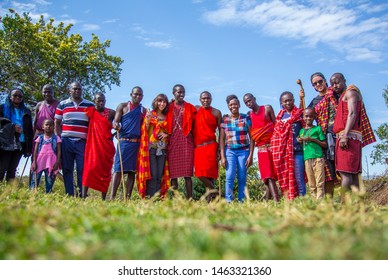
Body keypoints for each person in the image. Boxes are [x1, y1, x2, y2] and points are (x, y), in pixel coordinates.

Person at [331, 73, 376, 192]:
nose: (335, 85)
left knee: (345, 172)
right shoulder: (344, 96)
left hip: (348, 136)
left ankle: (345, 205)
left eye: (337, 82)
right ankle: (356, 206)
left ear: (344, 80)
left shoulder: (350, 93)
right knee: (353, 173)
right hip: (349, 136)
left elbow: (352, 114)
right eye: (332, 84)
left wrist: (345, 136)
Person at [54, 81, 94, 196]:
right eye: (75, 89)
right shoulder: (62, 104)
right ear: (70, 90)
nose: (77, 91)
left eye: (79, 89)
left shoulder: (89, 105)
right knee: (67, 169)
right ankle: (70, 194)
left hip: (82, 142)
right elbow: (57, 122)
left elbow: (93, 123)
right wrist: (58, 138)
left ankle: (82, 195)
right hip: (66, 141)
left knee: (82, 169)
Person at [307, 72, 340, 197]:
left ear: (325, 81)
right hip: (325, 138)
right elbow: (305, 115)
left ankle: (349, 201)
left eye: (320, 81)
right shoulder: (315, 102)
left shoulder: (335, 94)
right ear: (313, 87)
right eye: (315, 84)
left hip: (340, 134)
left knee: (343, 169)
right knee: (329, 172)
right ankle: (329, 202)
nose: (318, 84)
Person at [110, 86, 145, 200]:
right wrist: (116, 125)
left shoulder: (142, 110)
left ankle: (127, 198)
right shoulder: (123, 106)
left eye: (140, 95)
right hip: (124, 142)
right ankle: (112, 197)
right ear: (131, 94)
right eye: (135, 94)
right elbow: (115, 121)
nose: (137, 96)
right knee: (118, 169)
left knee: (132, 172)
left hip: (136, 143)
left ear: (142, 97)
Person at [243, 93, 279, 202]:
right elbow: (253, 136)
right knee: (267, 176)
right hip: (261, 149)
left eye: (250, 100)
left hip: (273, 146)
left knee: (272, 175)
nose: (249, 103)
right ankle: (275, 201)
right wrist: (250, 155)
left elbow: (277, 127)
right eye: (246, 102)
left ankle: (270, 201)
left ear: (254, 99)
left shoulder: (267, 108)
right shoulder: (249, 115)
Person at [271, 91, 305, 200]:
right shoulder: (280, 117)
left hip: (297, 151)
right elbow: (277, 135)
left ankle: (303, 202)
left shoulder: (299, 113)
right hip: (283, 153)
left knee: (299, 179)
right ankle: (291, 202)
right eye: (285, 101)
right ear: (282, 103)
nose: (288, 102)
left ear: (293, 100)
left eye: (290, 100)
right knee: (285, 178)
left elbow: (305, 128)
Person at [219, 95, 254, 203]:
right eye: (230, 105)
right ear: (228, 106)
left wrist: (251, 155)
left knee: (242, 177)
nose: (233, 106)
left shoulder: (246, 118)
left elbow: (252, 137)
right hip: (230, 151)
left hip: (244, 151)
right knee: (229, 176)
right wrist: (223, 156)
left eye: (235, 104)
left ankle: (241, 200)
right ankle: (228, 201)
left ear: (239, 105)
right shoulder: (225, 120)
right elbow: (221, 139)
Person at [82, 92, 116, 200]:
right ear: (94, 101)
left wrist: (114, 134)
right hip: (93, 146)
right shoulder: (90, 111)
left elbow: (121, 122)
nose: (101, 103)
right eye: (98, 101)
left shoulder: (111, 113)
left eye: (103, 101)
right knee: (89, 169)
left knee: (105, 172)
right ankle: (83, 197)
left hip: (106, 146)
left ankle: (103, 199)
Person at [166, 84, 197, 199]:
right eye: (179, 92)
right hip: (173, 141)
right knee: (173, 175)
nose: (181, 94)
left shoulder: (189, 107)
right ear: (173, 93)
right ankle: (176, 200)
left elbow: (196, 120)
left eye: (183, 92)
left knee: (187, 174)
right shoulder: (168, 107)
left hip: (186, 142)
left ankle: (189, 199)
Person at [137, 94, 170, 198]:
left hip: (162, 149)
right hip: (151, 149)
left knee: (160, 175)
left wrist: (166, 134)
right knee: (153, 174)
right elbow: (144, 130)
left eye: (164, 102)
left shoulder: (167, 117)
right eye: (160, 101)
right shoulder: (151, 114)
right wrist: (147, 120)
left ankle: (159, 198)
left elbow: (170, 131)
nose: (162, 104)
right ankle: (151, 198)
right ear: (156, 102)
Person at [193, 91, 222, 202]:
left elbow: (221, 132)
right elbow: (183, 107)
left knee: (210, 175)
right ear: (200, 100)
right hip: (199, 147)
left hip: (211, 146)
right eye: (203, 98)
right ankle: (217, 194)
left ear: (211, 99)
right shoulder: (196, 109)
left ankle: (210, 201)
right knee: (199, 173)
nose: (206, 100)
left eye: (208, 98)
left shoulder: (216, 113)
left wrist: (219, 149)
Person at [0, 88, 33, 182]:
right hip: (5, 142)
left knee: (12, 169)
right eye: (15, 95)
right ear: (10, 97)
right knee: (2, 168)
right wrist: (12, 126)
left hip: (20, 142)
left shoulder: (26, 111)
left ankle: (9, 192)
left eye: (20, 96)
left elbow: (29, 130)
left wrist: (28, 148)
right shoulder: (2, 108)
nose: (17, 97)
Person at [297, 108, 327, 200]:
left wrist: (313, 139)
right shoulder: (301, 131)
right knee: (312, 184)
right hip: (307, 159)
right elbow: (301, 143)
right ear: (303, 117)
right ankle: (314, 204)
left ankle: (320, 204)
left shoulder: (317, 129)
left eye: (311, 116)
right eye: (306, 116)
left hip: (318, 158)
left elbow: (325, 144)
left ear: (314, 117)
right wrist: (300, 140)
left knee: (320, 183)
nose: (308, 118)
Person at [30, 119, 61, 193]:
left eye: (50, 125)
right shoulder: (40, 138)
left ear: (53, 127)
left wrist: (57, 162)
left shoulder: (56, 138)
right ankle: (32, 194)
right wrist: (34, 162)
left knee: (49, 180)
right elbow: (35, 151)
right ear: (43, 127)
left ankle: (48, 194)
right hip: (39, 162)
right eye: (46, 125)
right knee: (35, 179)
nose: (48, 126)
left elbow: (59, 151)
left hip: (51, 162)